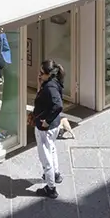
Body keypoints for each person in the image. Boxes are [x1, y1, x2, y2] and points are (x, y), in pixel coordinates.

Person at [30, 58, 66, 198]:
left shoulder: (50, 87)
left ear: (49, 74)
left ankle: (51, 188)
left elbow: (58, 105)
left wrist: (46, 121)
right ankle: (55, 174)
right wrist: (40, 84)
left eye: (41, 73)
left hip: (46, 127)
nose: (39, 75)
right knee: (51, 148)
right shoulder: (54, 82)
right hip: (54, 125)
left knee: (45, 157)